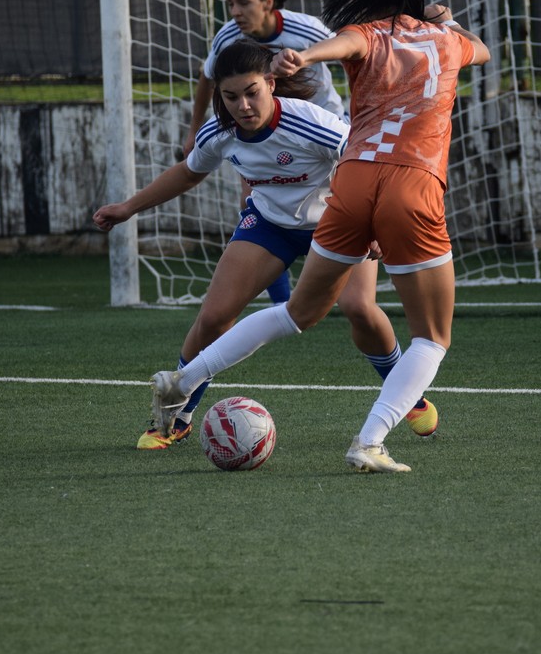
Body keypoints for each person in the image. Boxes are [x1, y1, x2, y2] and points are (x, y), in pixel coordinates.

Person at [149, 0, 490, 472]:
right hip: (412, 185)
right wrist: (446, 20)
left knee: (297, 313)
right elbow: (481, 49)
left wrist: (303, 56)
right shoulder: (447, 40)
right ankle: (369, 441)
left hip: (351, 182)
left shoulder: (364, 36)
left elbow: (343, 44)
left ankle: (184, 378)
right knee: (432, 337)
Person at [94, 40, 420, 450]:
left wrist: (373, 224)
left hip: (337, 222)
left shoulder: (310, 122)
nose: (243, 105)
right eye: (231, 97)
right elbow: (188, 173)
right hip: (269, 224)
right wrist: (128, 207)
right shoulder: (219, 132)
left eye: (251, 92)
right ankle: (178, 416)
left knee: (359, 308)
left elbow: (366, 164)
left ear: (270, 84)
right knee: (213, 318)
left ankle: (407, 393)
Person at [185, 0, 347, 305]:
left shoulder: (306, 29)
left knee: (341, 203)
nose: (235, 12)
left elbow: (352, 56)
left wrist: (358, 113)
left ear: (268, 3)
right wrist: (193, 130)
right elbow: (208, 77)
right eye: (230, 3)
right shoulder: (227, 36)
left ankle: (350, 279)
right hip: (262, 128)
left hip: (319, 134)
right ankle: (280, 302)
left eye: (244, 2)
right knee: (254, 204)